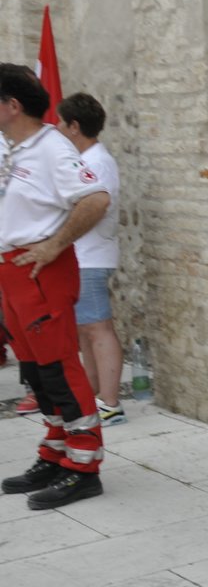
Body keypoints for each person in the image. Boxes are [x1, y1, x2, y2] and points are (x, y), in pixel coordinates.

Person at [0, 63, 112, 509]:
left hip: (41, 270)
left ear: (11, 105)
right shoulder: (8, 145)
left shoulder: (53, 148)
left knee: (60, 368)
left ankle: (84, 468)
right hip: (11, 272)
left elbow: (96, 199)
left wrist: (54, 245)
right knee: (35, 373)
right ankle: (55, 453)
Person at [56, 92, 125, 427]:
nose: (56, 128)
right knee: (86, 330)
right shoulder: (89, 160)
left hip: (92, 257)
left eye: (60, 122)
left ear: (74, 126)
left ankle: (111, 403)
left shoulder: (98, 161)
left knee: (99, 329)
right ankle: (95, 395)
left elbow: (98, 207)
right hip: (82, 257)